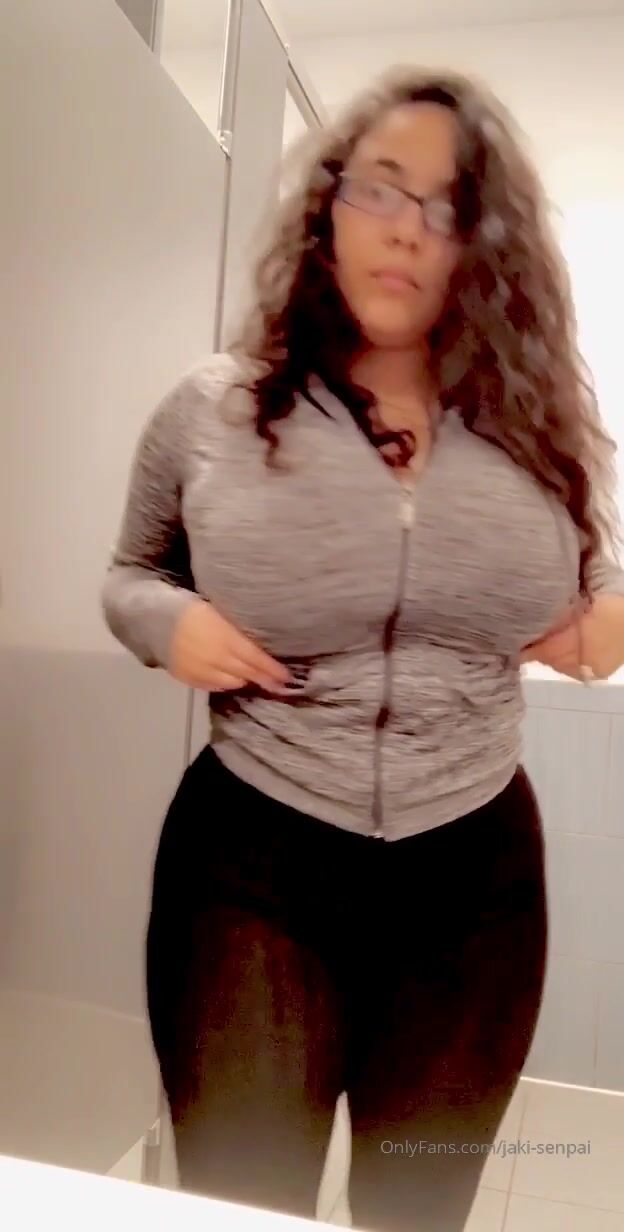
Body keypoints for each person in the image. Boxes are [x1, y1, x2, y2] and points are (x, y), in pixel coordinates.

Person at [102, 68, 624, 1232]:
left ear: (484, 246)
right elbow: (130, 572)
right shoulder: (215, 408)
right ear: (328, 206)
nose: (406, 228)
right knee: (240, 1203)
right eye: (381, 188)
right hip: (253, 865)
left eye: (449, 206)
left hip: (474, 883)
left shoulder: (540, 431)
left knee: (419, 1210)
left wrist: (606, 623)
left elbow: (603, 583)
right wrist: (165, 622)